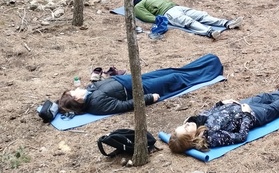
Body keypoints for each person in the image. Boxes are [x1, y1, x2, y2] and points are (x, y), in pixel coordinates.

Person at [168, 75, 279, 152]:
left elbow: (212, 111)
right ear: (192, 137)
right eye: (186, 128)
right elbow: (240, 136)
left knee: (265, 96)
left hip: (239, 105)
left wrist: (222, 103)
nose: (187, 124)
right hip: (251, 115)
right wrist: (246, 115)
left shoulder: (197, 121)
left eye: (183, 125)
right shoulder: (212, 137)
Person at [57, 54, 224, 115]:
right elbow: (125, 105)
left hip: (134, 79)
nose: (76, 89)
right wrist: (150, 98)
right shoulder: (97, 105)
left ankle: (207, 61)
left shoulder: (89, 93)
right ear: (77, 102)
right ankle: (210, 70)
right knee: (174, 78)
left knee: (169, 70)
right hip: (141, 89)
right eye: (73, 93)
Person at [132, 0, 241, 39]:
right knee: (196, 17)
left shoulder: (141, 3)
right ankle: (218, 27)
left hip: (171, 10)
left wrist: (156, 19)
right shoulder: (146, 1)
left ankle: (218, 27)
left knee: (194, 18)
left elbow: (145, 16)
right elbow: (145, 16)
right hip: (173, 8)